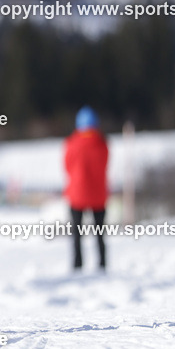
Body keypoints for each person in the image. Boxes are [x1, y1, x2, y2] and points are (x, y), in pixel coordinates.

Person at [64, 107, 109, 271]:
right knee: (99, 233)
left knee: (77, 234)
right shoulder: (102, 143)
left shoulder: (72, 143)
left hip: (77, 194)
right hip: (98, 195)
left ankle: (77, 265)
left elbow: (67, 166)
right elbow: (105, 165)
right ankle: (102, 263)